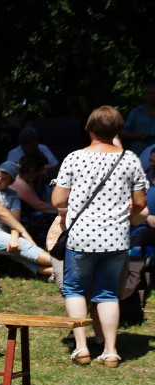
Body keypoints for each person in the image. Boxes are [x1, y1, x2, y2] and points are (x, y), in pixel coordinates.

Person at [51, 106, 147, 367]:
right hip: (115, 239)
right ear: (117, 130)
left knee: (74, 290)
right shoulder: (130, 160)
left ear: (89, 128)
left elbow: (58, 199)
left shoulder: (74, 158)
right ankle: (111, 350)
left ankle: (82, 347)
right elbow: (139, 203)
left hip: (81, 237)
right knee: (107, 294)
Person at [0, 161, 54, 276]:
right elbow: (2, 213)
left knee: (28, 260)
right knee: (24, 245)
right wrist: (24, 233)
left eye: (4, 179)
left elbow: (14, 220)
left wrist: (14, 237)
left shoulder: (12, 195)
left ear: (12, 182)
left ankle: (66, 272)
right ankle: (67, 265)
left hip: (4, 237)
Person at [11, 150, 59, 243]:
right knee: (53, 220)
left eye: (36, 172)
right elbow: (40, 206)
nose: (32, 175)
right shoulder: (18, 181)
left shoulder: (30, 181)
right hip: (19, 222)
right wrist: (64, 211)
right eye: (31, 171)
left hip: (28, 218)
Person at [122, 83, 155, 155]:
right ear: (145, 95)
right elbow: (124, 133)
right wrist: (138, 136)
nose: (152, 95)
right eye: (150, 93)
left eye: (154, 93)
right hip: (139, 152)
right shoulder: (135, 113)